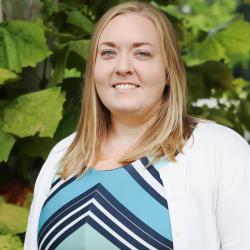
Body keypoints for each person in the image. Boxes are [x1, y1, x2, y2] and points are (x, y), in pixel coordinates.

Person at [24, 1, 250, 250]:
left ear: (168, 71)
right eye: (108, 53)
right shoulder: (62, 157)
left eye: (142, 53)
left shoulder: (220, 152)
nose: (122, 68)